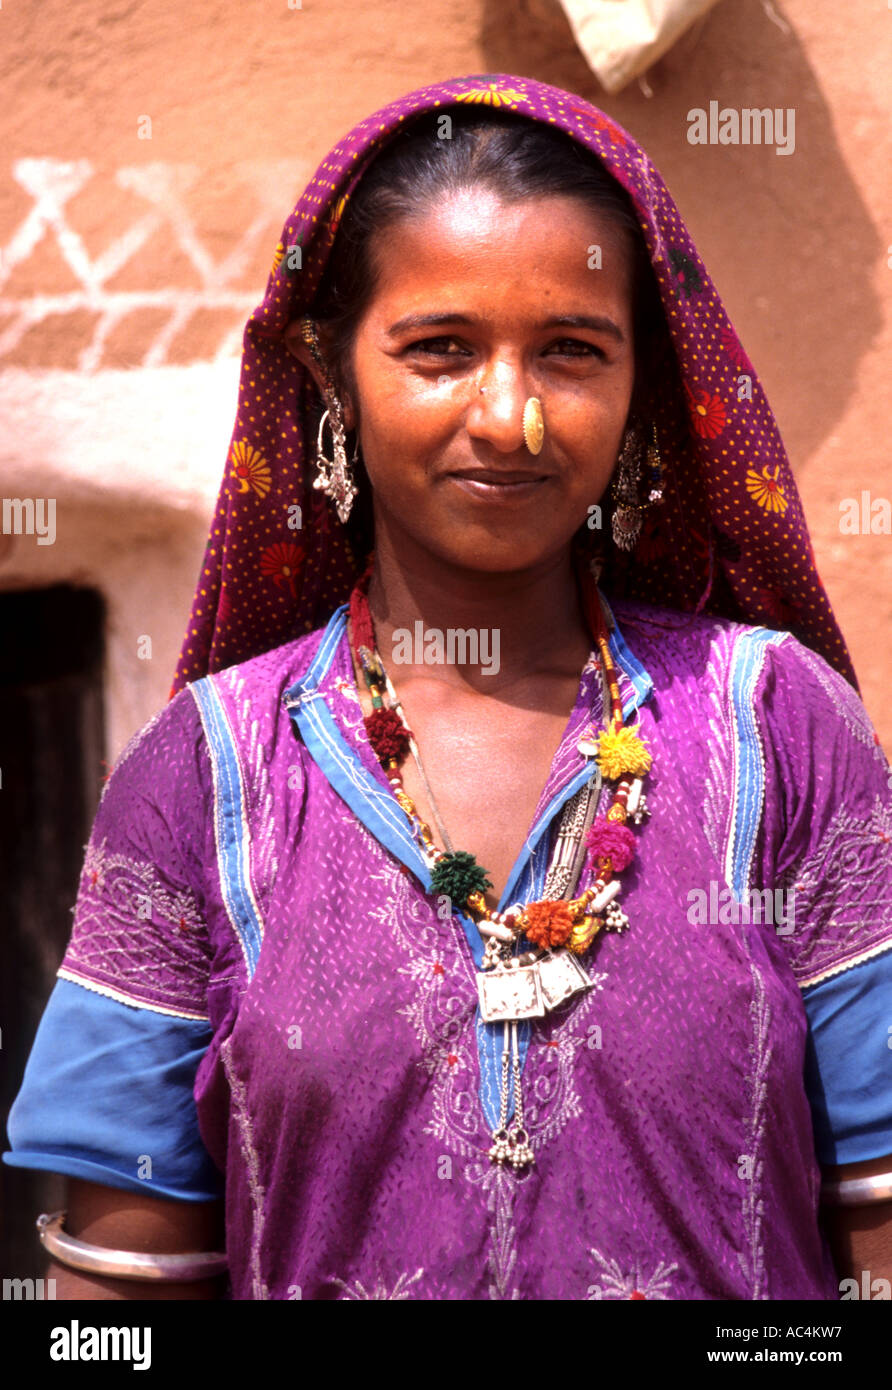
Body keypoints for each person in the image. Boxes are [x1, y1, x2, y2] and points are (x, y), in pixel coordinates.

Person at [4, 72, 891, 1302]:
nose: (513, 416)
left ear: (644, 388)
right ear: (329, 375)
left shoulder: (777, 729)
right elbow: (120, 1296)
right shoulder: (200, 780)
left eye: (573, 351)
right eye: (440, 350)